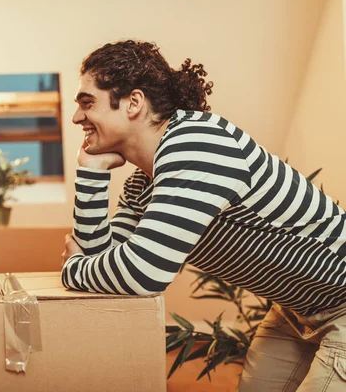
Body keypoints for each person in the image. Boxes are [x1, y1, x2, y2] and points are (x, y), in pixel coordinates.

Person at [61, 40, 346, 391]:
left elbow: (141, 275)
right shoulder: (141, 184)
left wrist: (72, 269)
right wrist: (91, 170)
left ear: (133, 102)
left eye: (87, 103)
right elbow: (101, 260)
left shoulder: (197, 143)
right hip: (295, 309)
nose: (76, 117)